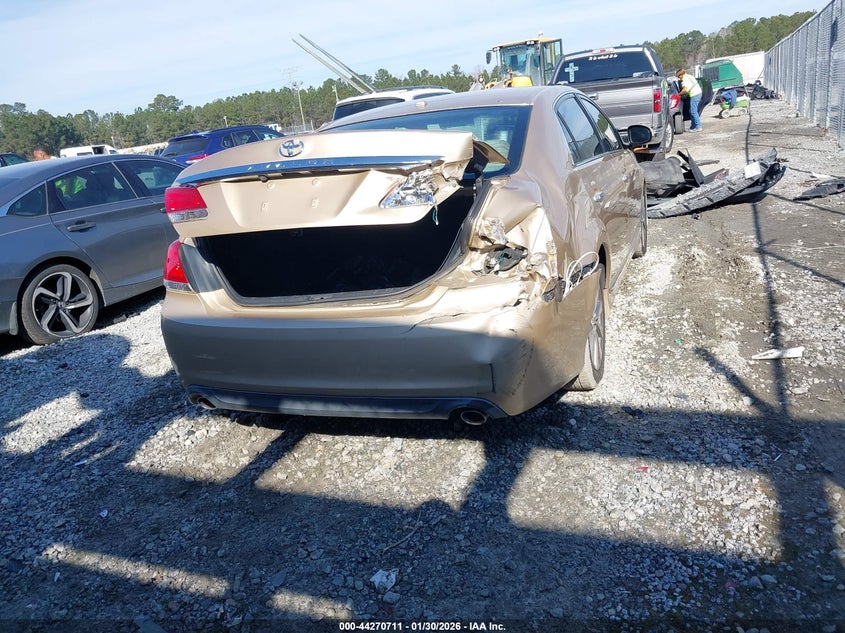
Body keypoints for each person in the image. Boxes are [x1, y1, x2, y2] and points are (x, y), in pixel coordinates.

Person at [676, 68, 703, 132]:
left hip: (695, 95)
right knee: (691, 110)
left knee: (693, 111)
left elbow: (685, 90)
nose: (679, 78)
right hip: (698, 93)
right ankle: (692, 127)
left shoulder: (685, 79)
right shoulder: (690, 76)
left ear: (681, 75)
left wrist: (678, 95)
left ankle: (698, 126)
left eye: (678, 77)